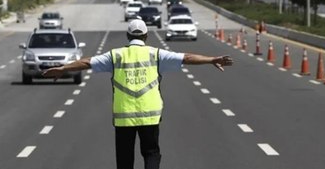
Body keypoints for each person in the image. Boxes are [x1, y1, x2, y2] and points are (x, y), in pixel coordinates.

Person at [42, 19, 233, 169]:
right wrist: (211, 59)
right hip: (150, 115)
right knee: (151, 153)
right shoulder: (156, 54)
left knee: (125, 159)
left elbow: (87, 62)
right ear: (146, 36)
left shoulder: (115, 56)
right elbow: (187, 58)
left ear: (127, 35)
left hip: (124, 117)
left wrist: (63, 68)